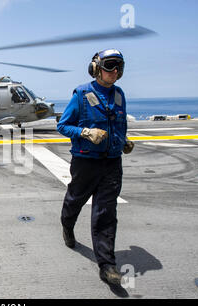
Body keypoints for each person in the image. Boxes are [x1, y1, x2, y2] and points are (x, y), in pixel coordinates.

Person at [56, 49, 134, 286]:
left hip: (111, 163)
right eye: (110, 66)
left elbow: (119, 124)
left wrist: (124, 141)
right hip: (85, 162)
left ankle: (107, 265)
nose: (115, 72)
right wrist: (85, 132)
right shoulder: (81, 94)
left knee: (106, 213)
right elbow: (62, 126)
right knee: (74, 201)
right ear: (96, 68)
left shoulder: (119, 95)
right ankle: (67, 226)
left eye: (119, 67)